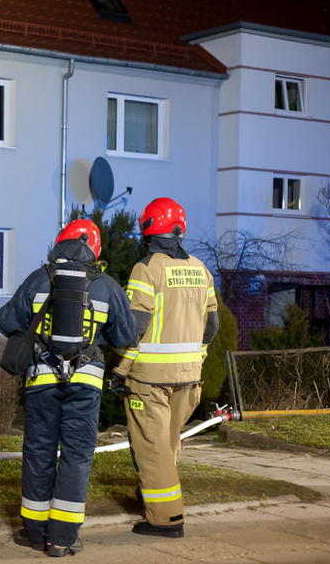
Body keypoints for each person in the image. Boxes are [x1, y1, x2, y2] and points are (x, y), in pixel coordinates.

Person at [0, 219, 136, 557]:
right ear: (94, 251)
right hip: (86, 383)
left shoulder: (38, 278)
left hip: (42, 379)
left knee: (39, 453)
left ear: (60, 244)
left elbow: (6, 321)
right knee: (76, 457)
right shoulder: (106, 286)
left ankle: (33, 533)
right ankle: (62, 539)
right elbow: (126, 337)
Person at [110, 197, 219, 538]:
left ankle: (165, 519)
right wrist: (197, 357)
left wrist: (118, 368)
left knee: (152, 448)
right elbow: (211, 326)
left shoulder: (147, 268)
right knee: (168, 446)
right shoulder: (202, 270)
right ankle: (153, 497)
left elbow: (135, 326)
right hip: (189, 378)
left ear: (147, 229)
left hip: (150, 378)